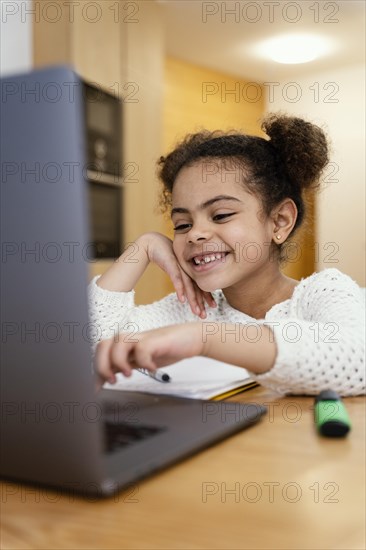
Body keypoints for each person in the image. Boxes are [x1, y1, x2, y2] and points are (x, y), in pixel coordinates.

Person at [88, 113, 365, 396]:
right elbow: (95, 346)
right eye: (182, 224)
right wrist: (142, 247)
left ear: (280, 221)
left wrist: (204, 339)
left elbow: (355, 359)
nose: (195, 233)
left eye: (220, 215)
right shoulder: (193, 308)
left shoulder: (322, 292)